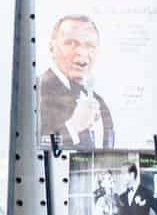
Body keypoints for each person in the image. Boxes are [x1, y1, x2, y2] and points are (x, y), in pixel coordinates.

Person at [39, 14, 114, 149]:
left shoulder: (100, 102)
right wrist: (73, 127)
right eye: (71, 43)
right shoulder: (36, 91)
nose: (81, 52)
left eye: (89, 45)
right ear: (51, 48)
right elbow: (30, 146)